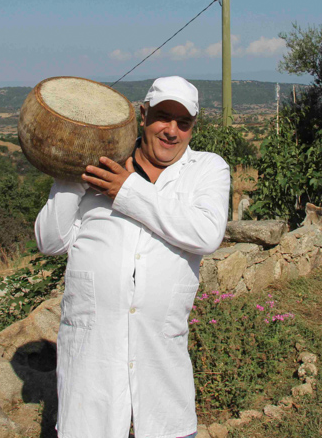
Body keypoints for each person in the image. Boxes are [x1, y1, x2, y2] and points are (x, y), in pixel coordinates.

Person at [35, 76, 230, 438]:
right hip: (91, 375)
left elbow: (206, 234)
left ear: (192, 128)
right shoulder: (100, 166)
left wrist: (126, 190)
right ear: (143, 115)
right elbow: (50, 241)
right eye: (162, 117)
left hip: (163, 378)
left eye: (183, 122)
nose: (171, 131)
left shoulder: (207, 169)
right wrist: (73, 168)